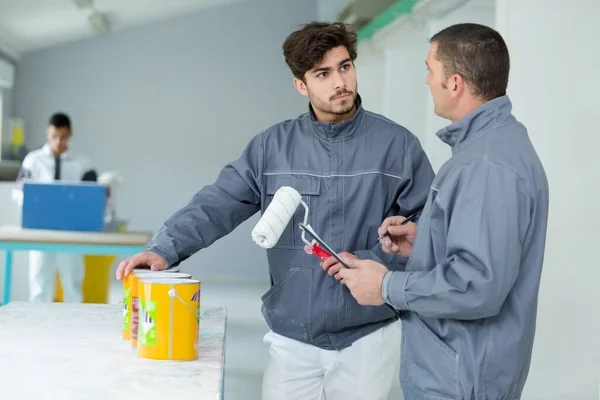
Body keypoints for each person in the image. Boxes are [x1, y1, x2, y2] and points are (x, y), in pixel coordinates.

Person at [116, 22, 435, 400]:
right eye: (323, 73)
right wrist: (164, 247)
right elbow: (218, 202)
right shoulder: (272, 148)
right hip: (292, 338)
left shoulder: (397, 145)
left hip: (369, 335)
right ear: (301, 85)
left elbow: (426, 231)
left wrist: (383, 268)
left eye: (345, 67)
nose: (340, 82)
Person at [328, 23, 549, 400]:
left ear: (455, 83)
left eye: (431, 69)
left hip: (461, 381)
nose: (427, 80)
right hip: (459, 373)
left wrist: (385, 286)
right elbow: (485, 254)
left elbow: (477, 285)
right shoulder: (489, 148)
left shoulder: (486, 165)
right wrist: (428, 242)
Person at [17, 112, 98, 303]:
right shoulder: (33, 160)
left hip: (72, 231)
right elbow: (21, 194)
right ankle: (38, 325)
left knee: (73, 283)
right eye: (54, 136)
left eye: (63, 137)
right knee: (39, 282)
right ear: (47, 133)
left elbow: (91, 198)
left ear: (70, 134)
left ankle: (74, 325)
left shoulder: (83, 163)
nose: (58, 142)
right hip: (40, 230)